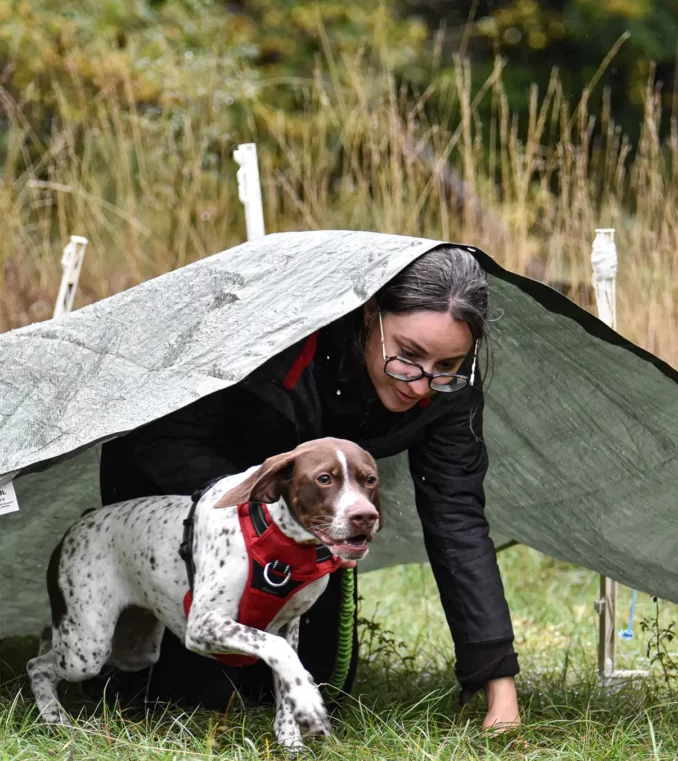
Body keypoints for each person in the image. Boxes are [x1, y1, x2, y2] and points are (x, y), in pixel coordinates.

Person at [100, 246, 521, 730]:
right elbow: (164, 439)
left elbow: (456, 517)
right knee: (187, 698)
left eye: (447, 365)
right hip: (183, 487)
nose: (421, 386)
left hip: (303, 512)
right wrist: (252, 527)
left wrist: (499, 689)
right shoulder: (281, 340)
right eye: (407, 357)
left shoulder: (450, 389)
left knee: (320, 688)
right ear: (370, 314)